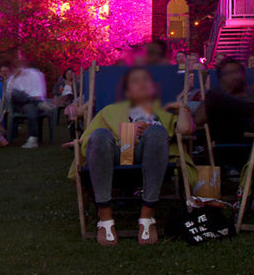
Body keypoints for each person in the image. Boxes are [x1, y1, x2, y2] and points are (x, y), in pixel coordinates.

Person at [77, 66, 195, 246]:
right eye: (135, 81)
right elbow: (89, 139)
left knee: (156, 132)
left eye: (145, 80)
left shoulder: (161, 114)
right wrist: (124, 135)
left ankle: (147, 215)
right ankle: (105, 216)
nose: (141, 84)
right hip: (114, 156)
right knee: (100, 134)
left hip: (148, 156)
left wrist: (181, 105)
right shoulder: (109, 111)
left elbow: (186, 129)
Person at [193, 59, 254, 152]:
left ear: (243, 76)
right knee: (214, 94)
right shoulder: (214, 98)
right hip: (225, 146)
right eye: (228, 73)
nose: (233, 76)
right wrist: (220, 98)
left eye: (236, 72)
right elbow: (197, 121)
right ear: (221, 80)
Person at [5, 58, 48, 148]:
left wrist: (26, 95)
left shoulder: (33, 74)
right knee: (15, 92)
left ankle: (33, 138)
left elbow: (38, 92)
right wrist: (26, 96)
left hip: (31, 105)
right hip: (20, 105)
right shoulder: (12, 78)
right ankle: (36, 103)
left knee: (29, 107)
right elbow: (8, 95)